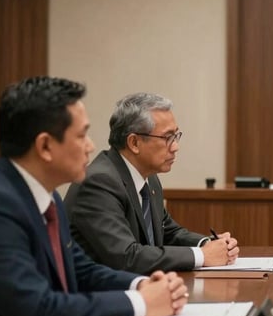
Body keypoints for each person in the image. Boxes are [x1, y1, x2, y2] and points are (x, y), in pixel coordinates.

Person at [0, 77, 188, 316]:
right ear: (45, 146)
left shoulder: (46, 196)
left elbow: (82, 270)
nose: (91, 146)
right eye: (81, 136)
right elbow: (38, 311)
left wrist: (142, 285)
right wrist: (141, 304)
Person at [65, 92, 239, 274]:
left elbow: (168, 233)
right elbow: (127, 257)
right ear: (134, 143)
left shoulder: (149, 179)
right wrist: (202, 256)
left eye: (176, 136)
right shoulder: (99, 183)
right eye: (167, 138)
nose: (175, 147)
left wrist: (208, 244)